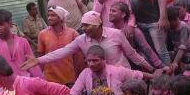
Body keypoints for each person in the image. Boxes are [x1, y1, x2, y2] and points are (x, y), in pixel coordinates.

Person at [22, 11, 154, 73]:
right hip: (100, 80)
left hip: (123, 77)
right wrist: (39, 60)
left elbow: (132, 54)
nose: (83, 29)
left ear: (98, 25)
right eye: (83, 25)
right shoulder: (81, 40)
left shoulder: (116, 34)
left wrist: (150, 68)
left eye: (87, 25)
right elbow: (62, 52)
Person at [70, 45, 153, 95]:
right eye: (89, 61)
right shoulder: (85, 73)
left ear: (104, 60)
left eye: (95, 61)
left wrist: (154, 76)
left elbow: (137, 74)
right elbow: (74, 91)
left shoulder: (117, 71)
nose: (91, 64)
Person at [0, 9, 43, 79]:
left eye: (1, 24)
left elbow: (33, 65)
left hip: (26, 82)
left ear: (10, 23)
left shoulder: (23, 42)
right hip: (5, 86)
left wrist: (40, 81)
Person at [109, 2, 164, 69]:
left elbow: (147, 49)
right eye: (110, 10)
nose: (110, 13)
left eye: (113, 11)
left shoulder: (134, 31)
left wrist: (159, 65)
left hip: (135, 63)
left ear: (123, 15)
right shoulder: (109, 31)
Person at [37, 6, 83, 85]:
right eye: (48, 15)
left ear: (61, 18)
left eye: (53, 15)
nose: (49, 18)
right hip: (50, 79)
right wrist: (40, 76)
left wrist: (78, 76)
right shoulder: (42, 34)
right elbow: (41, 56)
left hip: (69, 78)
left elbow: (78, 58)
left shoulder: (72, 33)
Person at [167, 6, 190, 71]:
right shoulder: (169, 28)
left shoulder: (183, 27)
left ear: (176, 19)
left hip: (188, 54)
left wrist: (175, 62)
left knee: (178, 63)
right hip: (176, 52)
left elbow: (182, 48)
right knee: (166, 56)